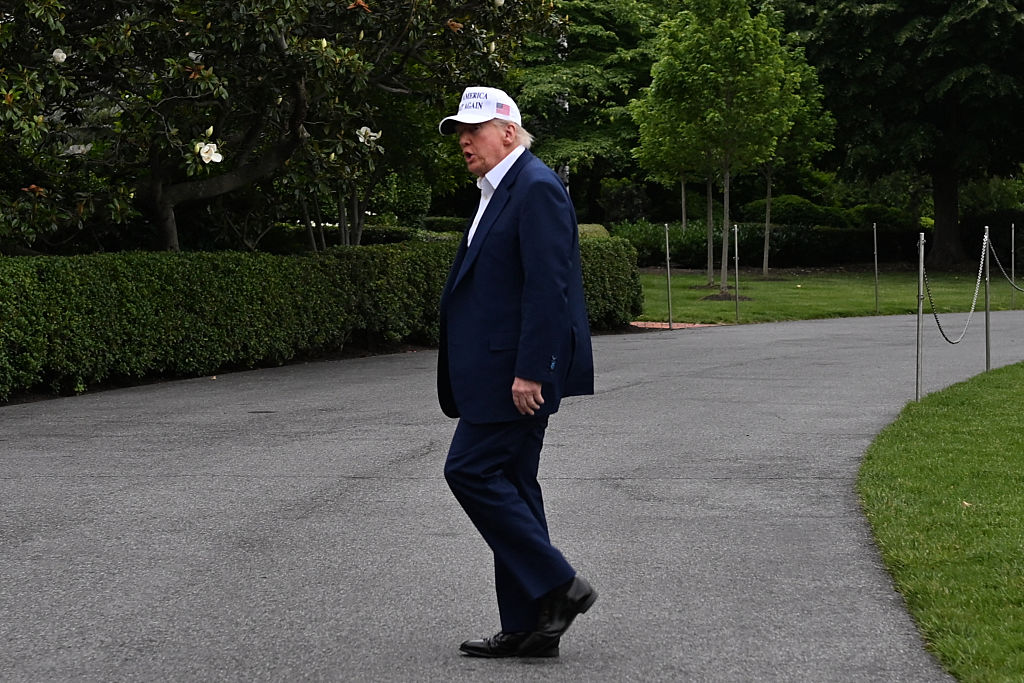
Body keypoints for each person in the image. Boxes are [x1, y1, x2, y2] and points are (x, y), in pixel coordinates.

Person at [436, 86, 596, 659]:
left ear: (508, 132)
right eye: (459, 131)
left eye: (473, 129)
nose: (464, 140)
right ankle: (533, 627)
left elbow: (549, 290)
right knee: (516, 488)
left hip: (516, 376)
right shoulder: (497, 189)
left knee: (469, 470)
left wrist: (533, 370)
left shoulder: (535, 187)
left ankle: (560, 586)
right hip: (497, 372)